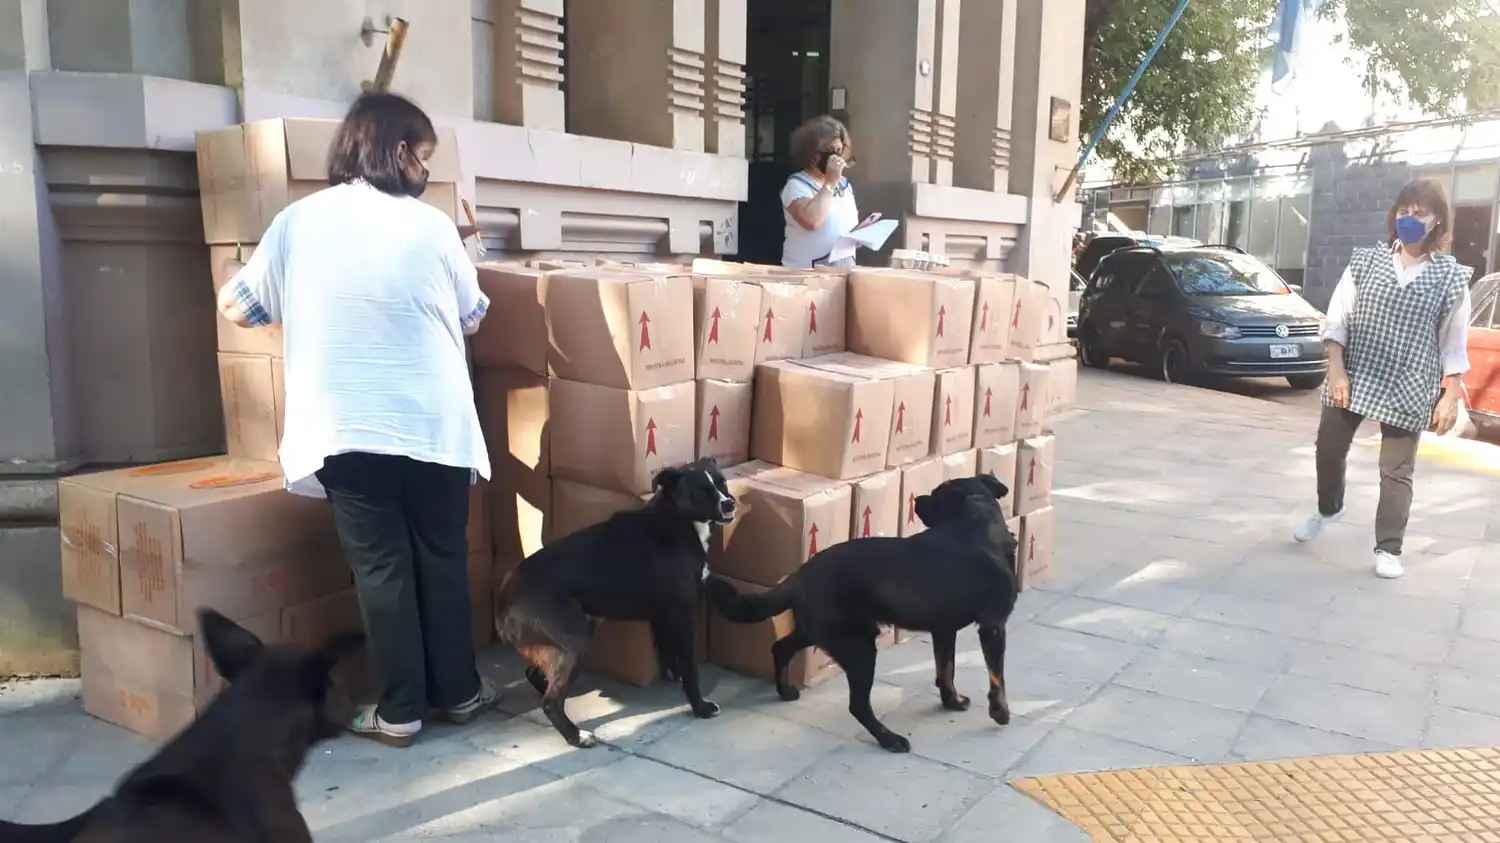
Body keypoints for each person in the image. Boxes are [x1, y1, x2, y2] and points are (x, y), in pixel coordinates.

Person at [215, 92, 496, 746]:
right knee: (442, 557)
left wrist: (233, 271)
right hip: (434, 424)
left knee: (382, 569)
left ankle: (400, 710)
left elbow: (241, 310)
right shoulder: (431, 226)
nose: (424, 169)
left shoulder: (296, 221)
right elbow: (475, 313)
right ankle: (459, 690)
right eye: (423, 156)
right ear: (399, 152)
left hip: (349, 422)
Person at [1293, 177, 1473, 580]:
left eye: (1420, 213)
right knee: (1328, 449)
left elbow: (1453, 344)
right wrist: (1336, 369)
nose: (1409, 219)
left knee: (1396, 472)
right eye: (1404, 211)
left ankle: (1389, 548)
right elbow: (1337, 318)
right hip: (1356, 372)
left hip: (1411, 381)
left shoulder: (1450, 276)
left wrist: (1450, 395)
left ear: (1437, 220)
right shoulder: (1365, 261)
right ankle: (1329, 508)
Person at [781, 115, 879, 269]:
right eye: (831, 151)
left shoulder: (845, 186)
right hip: (807, 273)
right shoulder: (797, 185)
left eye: (839, 150)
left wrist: (859, 235)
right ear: (813, 155)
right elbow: (812, 221)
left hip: (842, 269)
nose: (837, 157)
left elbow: (841, 230)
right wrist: (830, 182)